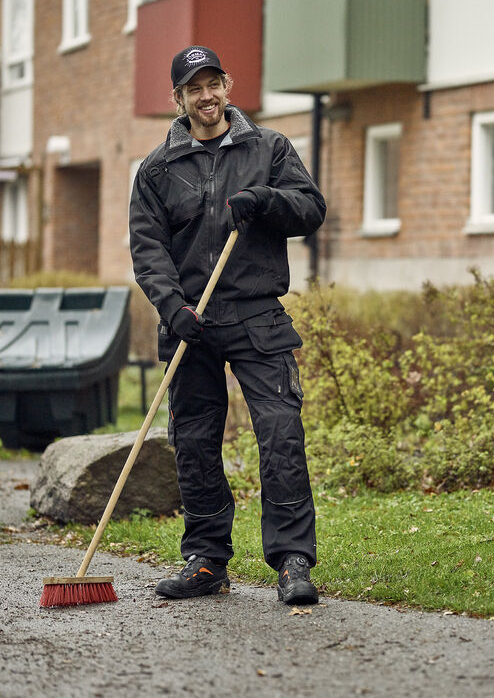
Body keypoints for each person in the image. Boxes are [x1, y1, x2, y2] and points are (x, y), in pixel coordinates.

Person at [129, 45, 326, 605]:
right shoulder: (157, 170)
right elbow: (148, 251)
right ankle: (207, 561)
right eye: (194, 88)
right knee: (193, 444)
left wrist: (264, 201)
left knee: (281, 434)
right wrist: (173, 309)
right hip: (191, 324)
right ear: (179, 98)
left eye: (214, 83)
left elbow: (310, 209)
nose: (206, 95)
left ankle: (292, 561)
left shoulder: (269, 149)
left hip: (257, 316)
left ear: (228, 85)